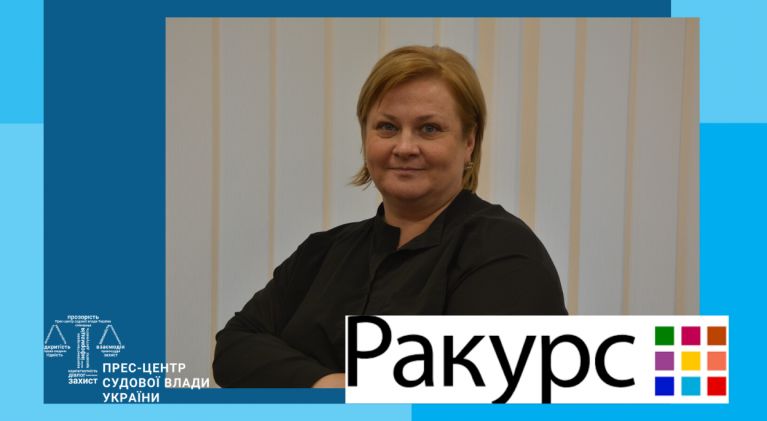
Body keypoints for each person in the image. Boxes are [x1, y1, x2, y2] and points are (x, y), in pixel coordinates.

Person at [212, 45, 567, 389]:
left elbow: (474, 396)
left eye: (429, 128)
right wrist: (329, 385)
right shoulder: (322, 253)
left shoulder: (505, 253)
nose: (404, 147)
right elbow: (233, 348)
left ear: (468, 142)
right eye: (387, 127)